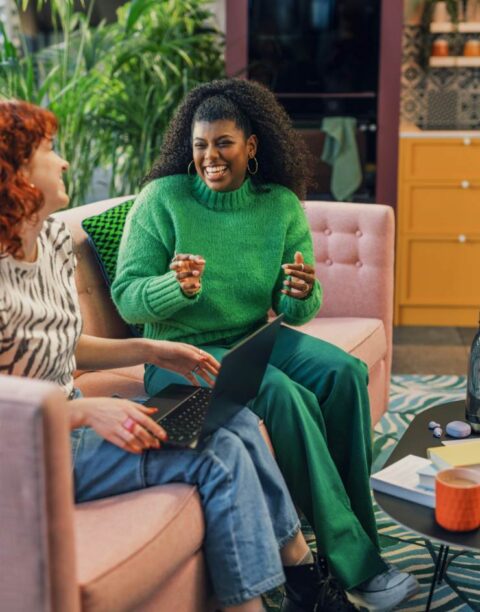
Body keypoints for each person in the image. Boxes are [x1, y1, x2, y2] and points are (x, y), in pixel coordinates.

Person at [0, 99, 346, 612]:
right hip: (27, 450)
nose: (65, 162)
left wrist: (155, 349)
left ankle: (298, 575)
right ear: (16, 175)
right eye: (49, 151)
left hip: (70, 416)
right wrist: (82, 410)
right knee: (218, 453)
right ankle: (265, 596)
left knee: (235, 422)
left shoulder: (48, 240)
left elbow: (62, 345)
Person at [112, 78, 420, 612]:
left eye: (224, 143)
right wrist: (172, 288)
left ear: (250, 145)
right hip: (180, 356)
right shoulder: (163, 200)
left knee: (343, 373)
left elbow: (298, 302)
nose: (211, 156)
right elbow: (126, 299)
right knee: (282, 395)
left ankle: (362, 536)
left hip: (253, 338)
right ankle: (357, 568)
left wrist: (300, 291)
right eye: (201, 145)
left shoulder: (278, 206)